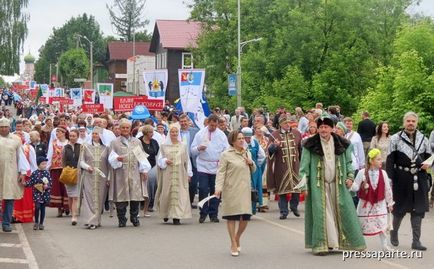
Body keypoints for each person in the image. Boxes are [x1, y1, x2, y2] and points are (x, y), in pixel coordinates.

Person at [299, 114, 366, 255]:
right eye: (321, 127)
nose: (323, 129)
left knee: (344, 212)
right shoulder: (310, 144)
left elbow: (349, 163)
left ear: (332, 128)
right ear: (317, 129)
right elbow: (304, 168)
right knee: (323, 215)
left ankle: (347, 243)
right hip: (319, 187)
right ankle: (323, 245)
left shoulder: (342, 143)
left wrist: (350, 176)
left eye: (326, 127)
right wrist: (304, 185)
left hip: (338, 185)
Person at [386, 112, 431, 251]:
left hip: (419, 177)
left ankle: (416, 241)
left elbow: (430, 157)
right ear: (404, 122)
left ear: (416, 123)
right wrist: (390, 180)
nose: (411, 123)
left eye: (413, 121)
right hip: (401, 179)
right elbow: (390, 161)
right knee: (399, 210)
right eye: (408, 121)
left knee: (418, 210)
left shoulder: (424, 139)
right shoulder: (395, 139)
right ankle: (394, 233)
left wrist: (428, 164)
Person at [215, 130, 255, 257]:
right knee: (232, 216)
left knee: (245, 217)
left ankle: (237, 237)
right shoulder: (226, 155)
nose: (242, 140)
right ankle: (233, 242)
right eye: (239, 138)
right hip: (231, 189)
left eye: (243, 138)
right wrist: (218, 188)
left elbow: (253, 170)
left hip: (244, 190)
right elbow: (221, 173)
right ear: (232, 141)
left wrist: (251, 163)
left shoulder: (247, 152)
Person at [108, 119, 151, 228]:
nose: (125, 129)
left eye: (127, 127)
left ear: (130, 129)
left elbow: (141, 157)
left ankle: (134, 217)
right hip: (120, 173)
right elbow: (111, 158)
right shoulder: (114, 142)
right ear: (120, 129)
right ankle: (122, 218)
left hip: (134, 172)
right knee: (121, 196)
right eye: (123, 127)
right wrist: (117, 158)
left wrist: (144, 170)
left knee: (135, 195)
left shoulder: (136, 142)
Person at [350, 148, 394, 251]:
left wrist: (390, 203)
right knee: (362, 223)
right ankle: (358, 244)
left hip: (380, 203)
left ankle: (384, 245)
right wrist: (350, 185)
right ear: (371, 161)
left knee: (382, 224)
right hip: (366, 204)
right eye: (378, 159)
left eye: (380, 159)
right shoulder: (362, 173)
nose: (381, 161)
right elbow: (356, 186)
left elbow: (387, 189)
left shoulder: (383, 173)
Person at [191, 114, 229, 223]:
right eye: (211, 125)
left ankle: (214, 214)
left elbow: (226, 150)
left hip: (216, 166)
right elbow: (192, 150)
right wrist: (199, 148)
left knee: (215, 191)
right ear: (208, 123)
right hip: (203, 165)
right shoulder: (200, 134)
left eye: (215, 125)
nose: (213, 127)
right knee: (203, 189)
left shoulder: (221, 135)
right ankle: (203, 213)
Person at [156, 125, 192, 225]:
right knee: (167, 193)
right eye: (172, 132)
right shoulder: (163, 145)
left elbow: (187, 160)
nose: (174, 134)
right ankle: (166, 213)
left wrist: (189, 173)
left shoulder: (183, 146)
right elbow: (159, 160)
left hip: (180, 173)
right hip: (167, 173)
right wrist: (165, 161)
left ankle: (177, 216)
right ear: (169, 133)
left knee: (180, 193)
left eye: (176, 132)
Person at [267, 115, 302, 219]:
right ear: (280, 124)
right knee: (282, 190)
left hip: (295, 165)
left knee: (296, 188)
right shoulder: (274, 135)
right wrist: (274, 146)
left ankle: (294, 206)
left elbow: (300, 149)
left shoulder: (296, 133)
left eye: (289, 123)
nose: (288, 125)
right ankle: (283, 211)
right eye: (285, 123)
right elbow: (269, 151)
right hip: (281, 166)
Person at [0, 118, 30, 232]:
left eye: (5, 127)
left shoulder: (16, 139)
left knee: (9, 197)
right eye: (1, 127)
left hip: (10, 173)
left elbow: (21, 156)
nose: (3, 129)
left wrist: (23, 172)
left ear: (9, 127)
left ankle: (6, 223)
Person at [78, 127, 109, 230]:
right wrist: (87, 167)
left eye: (97, 134)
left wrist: (109, 178)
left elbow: (109, 165)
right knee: (89, 198)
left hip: (102, 178)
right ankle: (90, 221)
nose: (95, 135)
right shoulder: (85, 147)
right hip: (89, 176)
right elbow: (81, 161)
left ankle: (97, 220)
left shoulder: (106, 148)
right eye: (93, 134)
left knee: (100, 198)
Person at [47, 125, 69, 217]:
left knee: (66, 188)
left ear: (64, 133)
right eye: (56, 132)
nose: (57, 134)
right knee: (57, 189)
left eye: (59, 132)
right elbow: (49, 155)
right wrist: (47, 168)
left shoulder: (68, 143)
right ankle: (59, 209)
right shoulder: (53, 143)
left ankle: (67, 206)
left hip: (67, 169)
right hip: (56, 169)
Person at [242, 127, 265, 214]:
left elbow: (262, 155)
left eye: (248, 137)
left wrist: (257, 165)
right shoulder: (240, 143)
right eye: (245, 137)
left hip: (254, 169)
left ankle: (253, 208)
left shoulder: (255, 143)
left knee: (254, 189)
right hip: (243, 168)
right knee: (245, 188)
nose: (247, 139)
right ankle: (244, 209)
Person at [24, 156, 52, 231]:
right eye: (43, 164)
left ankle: (41, 223)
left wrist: (47, 186)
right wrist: (25, 184)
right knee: (37, 207)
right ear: (38, 164)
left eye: (45, 164)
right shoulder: (35, 173)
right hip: (37, 193)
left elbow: (50, 183)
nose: (44, 166)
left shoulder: (47, 173)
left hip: (45, 193)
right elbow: (31, 182)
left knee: (43, 208)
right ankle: (36, 222)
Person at [179, 114, 199, 208]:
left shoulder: (195, 131)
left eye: (185, 121)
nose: (183, 123)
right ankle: (182, 201)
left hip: (192, 159)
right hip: (180, 160)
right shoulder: (176, 132)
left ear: (188, 122)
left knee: (193, 182)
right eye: (181, 122)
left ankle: (190, 202)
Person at [62, 129, 82, 225]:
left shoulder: (81, 147)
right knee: (70, 196)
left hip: (78, 173)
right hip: (69, 173)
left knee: (75, 196)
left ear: (77, 137)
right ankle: (72, 211)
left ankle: (74, 216)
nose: (72, 138)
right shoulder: (65, 148)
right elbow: (63, 161)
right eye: (71, 136)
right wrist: (65, 171)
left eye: (74, 136)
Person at [140, 125, 160, 216]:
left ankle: (147, 208)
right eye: (150, 132)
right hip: (141, 167)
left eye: (152, 132)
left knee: (150, 188)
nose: (152, 134)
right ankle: (139, 208)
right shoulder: (139, 141)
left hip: (152, 167)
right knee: (141, 190)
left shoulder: (154, 142)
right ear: (145, 133)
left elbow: (158, 153)